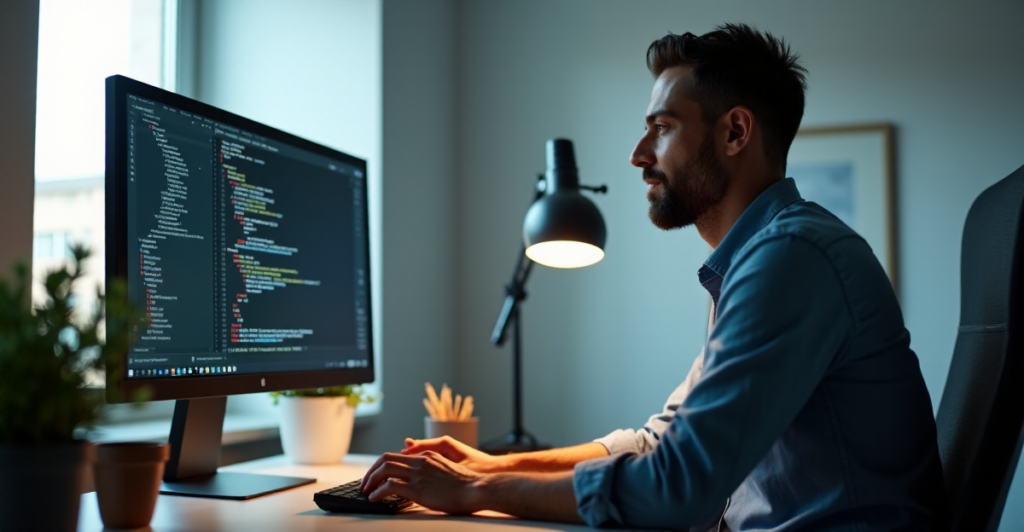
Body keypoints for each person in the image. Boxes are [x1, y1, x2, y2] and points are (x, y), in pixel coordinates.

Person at [361, 23, 948, 531]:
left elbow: (677, 484)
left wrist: (475, 490)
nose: (639, 154)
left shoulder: (790, 258)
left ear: (735, 133)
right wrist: (488, 465)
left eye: (662, 127)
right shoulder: (760, 259)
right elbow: (658, 442)